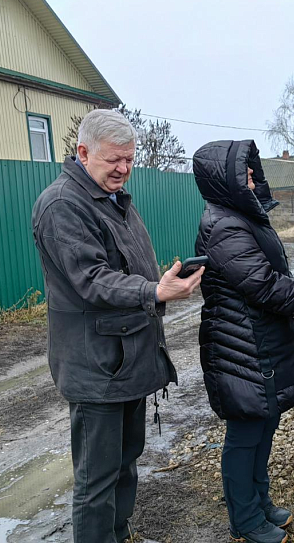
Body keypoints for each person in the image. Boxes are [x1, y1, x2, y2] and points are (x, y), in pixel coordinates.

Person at [31, 109, 203, 543]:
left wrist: (158, 283)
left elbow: (128, 268)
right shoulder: (62, 205)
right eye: (114, 160)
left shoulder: (115, 199)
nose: (124, 169)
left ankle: (120, 534)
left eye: (129, 159)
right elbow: (91, 280)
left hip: (127, 359)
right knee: (97, 478)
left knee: (126, 461)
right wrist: (154, 292)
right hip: (96, 366)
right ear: (83, 152)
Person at [192, 139, 294, 543]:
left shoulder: (241, 217)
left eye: (250, 170)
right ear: (223, 180)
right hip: (239, 345)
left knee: (265, 423)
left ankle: (258, 503)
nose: (251, 177)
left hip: (258, 341)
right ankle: (243, 520)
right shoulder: (224, 226)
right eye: (242, 172)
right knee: (246, 432)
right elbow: (265, 286)